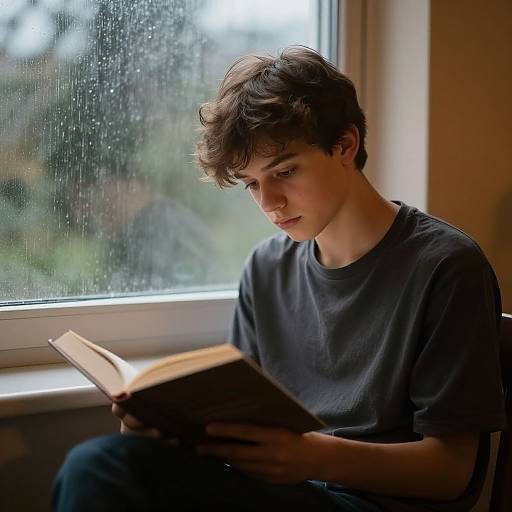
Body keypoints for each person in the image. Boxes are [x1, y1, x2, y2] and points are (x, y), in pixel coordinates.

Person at [52, 46, 506, 512]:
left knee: (100, 467)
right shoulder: (265, 269)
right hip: (289, 493)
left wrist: (314, 457)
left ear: (345, 145)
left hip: (373, 505)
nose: (269, 202)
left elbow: (452, 472)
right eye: (251, 183)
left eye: (284, 171)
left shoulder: (446, 265)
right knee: (107, 464)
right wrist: (154, 426)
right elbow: (237, 426)